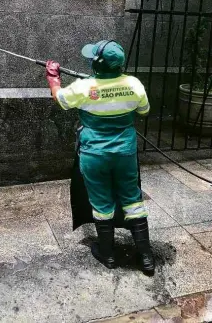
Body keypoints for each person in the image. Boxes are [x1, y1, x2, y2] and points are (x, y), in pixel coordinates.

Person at [45, 40, 155, 276]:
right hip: (125, 153)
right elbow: (144, 111)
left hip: (94, 154)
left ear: (96, 64)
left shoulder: (83, 87)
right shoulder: (134, 84)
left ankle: (108, 254)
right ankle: (146, 257)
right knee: (132, 199)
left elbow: (60, 99)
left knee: (102, 202)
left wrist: (53, 78)